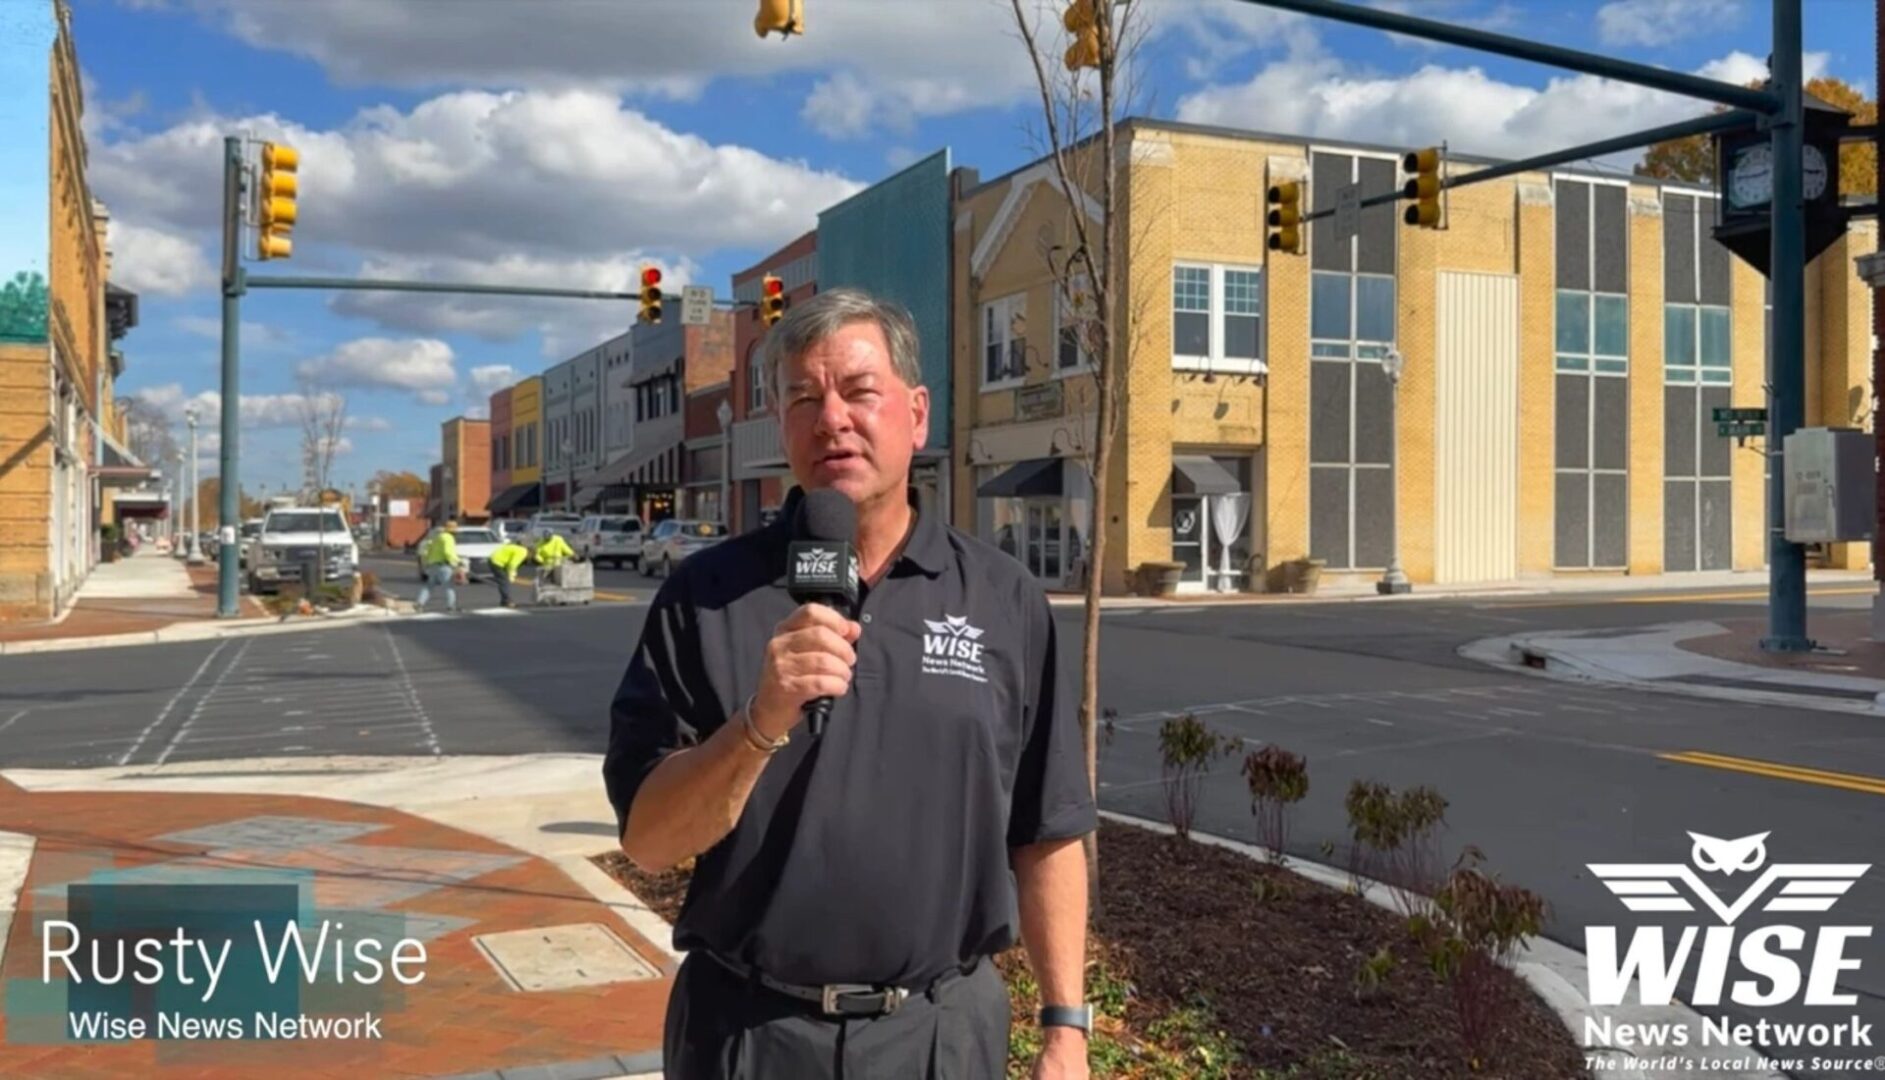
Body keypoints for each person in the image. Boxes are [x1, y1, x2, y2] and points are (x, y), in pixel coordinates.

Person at [606, 288, 1095, 1079]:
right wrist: (759, 721)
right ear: (783, 426)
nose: (831, 417)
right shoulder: (703, 598)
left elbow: (1048, 827)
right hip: (747, 1035)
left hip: (941, 1036)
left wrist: (1064, 1025)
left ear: (917, 413)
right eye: (803, 397)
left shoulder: (1001, 598)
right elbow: (650, 840)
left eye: (859, 391)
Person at [415, 520, 461, 614]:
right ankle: (451, 606)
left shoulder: (438, 537)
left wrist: (427, 563)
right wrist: (457, 562)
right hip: (444, 565)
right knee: (449, 586)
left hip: (433, 565)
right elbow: (448, 552)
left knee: (429, 586)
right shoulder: (448, 538)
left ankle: (419, 603)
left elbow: (429, 550)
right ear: (453, 531)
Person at [489, 533, 531, 609]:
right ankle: (508, 601)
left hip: (494, 559)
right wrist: (511, 576)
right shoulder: (523, 551)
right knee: (505, 582)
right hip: (497, 562)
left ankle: (504, 601)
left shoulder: (515, 547)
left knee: (503, 582)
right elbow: (513, 564)